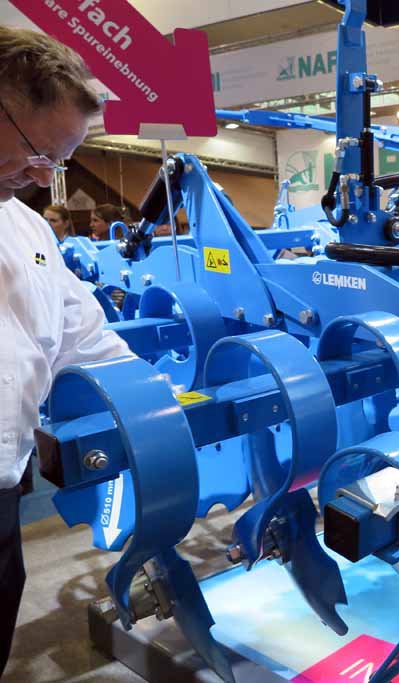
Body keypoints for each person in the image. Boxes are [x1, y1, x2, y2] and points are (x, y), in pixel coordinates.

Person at [0, 26, 132, 676]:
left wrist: (158, 404)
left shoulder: (28, 230)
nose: (42, 177)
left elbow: (87, 339)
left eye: (57, 161)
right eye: (37, 152)